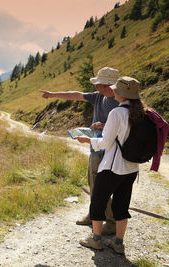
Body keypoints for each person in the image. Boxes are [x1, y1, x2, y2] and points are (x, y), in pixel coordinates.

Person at [40, 67, 119, 235]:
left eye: (99, 84)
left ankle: (112, 222)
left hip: (112, 151)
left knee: (107, 186)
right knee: (93, 182)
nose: (96, 86)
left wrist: (105, 126)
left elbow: (128, 123)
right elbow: (76, 94)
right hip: (96, 149)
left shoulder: (121, 100)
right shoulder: (99, 96)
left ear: (108, 85)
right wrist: (53, 94)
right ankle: (94, 214)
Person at [75, 76, 144, 254]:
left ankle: (96, 240)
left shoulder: (117, 113)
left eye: (115, 89)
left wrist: (88, 140)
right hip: (131, 168)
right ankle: (118, 243)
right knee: (122, 206)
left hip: (112, 167)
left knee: (97, 203)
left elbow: (105, 142)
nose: (112, 91)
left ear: (121, 93)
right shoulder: (142, 112)